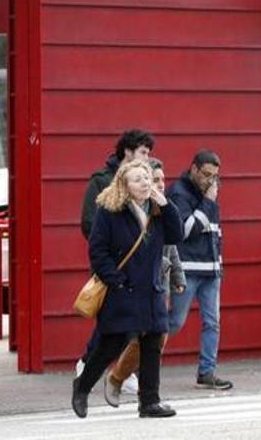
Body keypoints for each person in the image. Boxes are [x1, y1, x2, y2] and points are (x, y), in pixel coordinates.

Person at [72, 160, 182, 419]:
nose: (145, 183)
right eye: (137, 179)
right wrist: (116, 280)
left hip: (151, 289)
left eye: (147, 178)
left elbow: (176, 236)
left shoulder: (158, 209)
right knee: (111, 343)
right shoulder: (110, 211)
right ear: (124, 185)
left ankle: (149, 402)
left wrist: (166, 205)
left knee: (152, 342)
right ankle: (82, 386)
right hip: (122, 289)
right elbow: (97, 251)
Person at [75, 129, 156, 390]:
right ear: (127, 152)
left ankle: (119, 371)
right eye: (143, 152)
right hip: (113, 266)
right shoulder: (101, 181)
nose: (146, 158)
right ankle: (90, 363)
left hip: (140, 268)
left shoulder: (146, 181)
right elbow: (89, 223)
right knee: (112, 322)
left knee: (130, 322)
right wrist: (112, 254)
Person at [104, 158, 185, 405]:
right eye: (154, 179)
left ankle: (144, 394)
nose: (158, 185)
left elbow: (173, 245)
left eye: (160, 180)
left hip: (159, 282)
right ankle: (120, 380)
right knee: (148, 339)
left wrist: (178, 277)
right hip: (134, 284)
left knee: (155, 339)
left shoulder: (160, 207)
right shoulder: (127, 211)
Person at [167, 150, 233, 390]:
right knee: (174, 322)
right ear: (193, 169)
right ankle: (135, 364)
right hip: (187, 269)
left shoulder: (210, 192)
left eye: (214, 176)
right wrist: (208, 202)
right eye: (206, 174)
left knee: (212, 323)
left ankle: (207, 373)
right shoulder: (178, 192)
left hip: (211, 270)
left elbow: (214, 232)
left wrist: (219, 265)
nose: (210, 180)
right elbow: (183, 231)